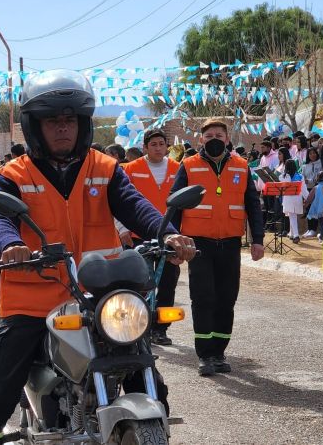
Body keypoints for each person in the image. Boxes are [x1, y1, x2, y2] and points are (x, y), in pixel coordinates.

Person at [0, 69, 197, 444]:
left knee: (144, 368)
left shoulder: (105, 168)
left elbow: (136, 207)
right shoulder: (14, 173)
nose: (63, 128)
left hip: (98, 292)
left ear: (82, 124)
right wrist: (9, 245)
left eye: (70, 120)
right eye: (52, 121)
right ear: (34, 126)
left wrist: (169, 234)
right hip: (35, 297)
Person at [170, 118, 265, 377]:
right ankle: (204, 354)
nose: (214, 139)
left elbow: (253, 205)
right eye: (209, 135)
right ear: (201, 139)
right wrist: (173, 243)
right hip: (198, 243)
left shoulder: (242, 166)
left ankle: (219, 351)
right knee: (203, 298)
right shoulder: (188, 166)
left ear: (227, 138)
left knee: (227, 298)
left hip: (230, 243)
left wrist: (258, 239)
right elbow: (175, 206)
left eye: (219, 135)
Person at [122, 128, 181, 345]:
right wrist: (122, 229)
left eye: (162, 144)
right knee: (138, 282)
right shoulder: (130, 169)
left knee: (167, 282)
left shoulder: (178, 169)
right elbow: (119, 200)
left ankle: (160, 328)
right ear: (145, 147)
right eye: (153, 144)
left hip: (170, 236)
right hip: (137, 235)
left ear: (167, 147)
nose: (158, 148)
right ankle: (136, 326)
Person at [281, 159, 308, 243]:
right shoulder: (300, 176)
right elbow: (304, 190)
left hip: (288, 199)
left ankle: (296, 235)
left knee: (292, 216)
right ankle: (292, 234)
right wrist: (308, 198)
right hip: (297, 198)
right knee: (292, 215)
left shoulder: (283, 176)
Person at [301, 147, 322, 238]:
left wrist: (309, 180)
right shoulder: (305, 166)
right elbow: (302, 177)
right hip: (308, 190)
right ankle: (310, 229)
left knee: (316, 209)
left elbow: (319, 177)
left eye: (314, 153)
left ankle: (314, 229)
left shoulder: (320, 164)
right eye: (310, 154)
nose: (312, 155)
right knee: (309, 209)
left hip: (318, 189)